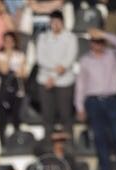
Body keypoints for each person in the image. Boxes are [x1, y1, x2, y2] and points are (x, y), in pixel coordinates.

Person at [75, 28, 116, 170]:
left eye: (100, 42)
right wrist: (79, 106)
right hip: (93, 101)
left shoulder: (112, 56)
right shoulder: (85, 60)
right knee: (100, 138)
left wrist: (103, 34)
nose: (98, 45)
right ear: (91, 44)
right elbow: (81, 84)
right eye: (95, 42)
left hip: (111, 99)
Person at [36, 10, 77, 141]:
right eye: (53, 22)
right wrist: (52, 75)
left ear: (62, 22)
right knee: (47, 116)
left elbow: (68, 60)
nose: (55, 25)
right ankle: (48, 145)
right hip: (45, 81)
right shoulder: (43, 38)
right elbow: (41, 59)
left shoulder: (71, 38)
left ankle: (69, 146)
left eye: (58, 22)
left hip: (64, 81)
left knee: (66, 115)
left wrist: (53, 77)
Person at [0, 31, 26, 145]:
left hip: (16, 89)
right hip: (2, 91)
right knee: (2, 118)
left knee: (16, 116)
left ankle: (17, 140)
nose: (8, 43)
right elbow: (4, 69)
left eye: (10, 41)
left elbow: (23, 73)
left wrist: (15, 68)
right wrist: (9, 56)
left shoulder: (20, 55)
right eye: (6, 41)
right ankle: (2, 143)